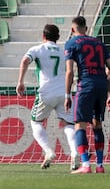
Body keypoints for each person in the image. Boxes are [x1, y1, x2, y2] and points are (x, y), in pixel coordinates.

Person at [16, 24, 78, 171]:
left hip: (46, 92)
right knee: (69, 124)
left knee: (35, 122)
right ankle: (75, 152)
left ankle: (48, 151)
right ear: (58, 37)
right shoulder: (65, 51)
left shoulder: (37, 49)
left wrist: (20, 82)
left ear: (43, 36)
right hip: (64, 93)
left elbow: (25, 61)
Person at [64, 16, 110, 174]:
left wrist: (67, 94)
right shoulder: (100, 43)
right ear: (87, 28)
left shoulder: (71, 43)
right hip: (102, 85)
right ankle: (99, 165)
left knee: (80, 124)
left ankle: (85, 164)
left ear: (72, 29)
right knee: (97, 125)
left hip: (86, 86)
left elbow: (69, 71)